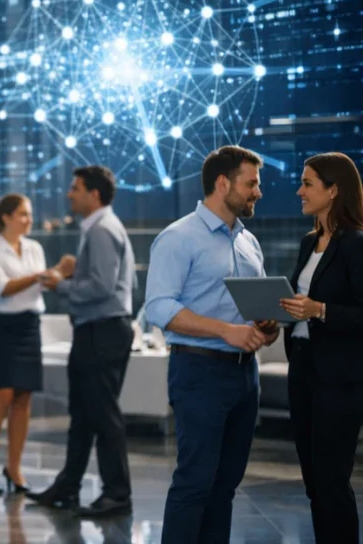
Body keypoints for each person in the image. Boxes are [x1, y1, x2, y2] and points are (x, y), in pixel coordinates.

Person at [144, 146, 280, 544]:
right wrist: (226, 331)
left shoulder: (248, 242)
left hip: (245, 376)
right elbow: (159, 307)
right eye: (251, 183)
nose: (258, 192)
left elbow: (256, 312)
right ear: (223, 183)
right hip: (198, 372)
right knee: (194, 484)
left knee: (225, 487)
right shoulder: (178, 237)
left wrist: (267, 327)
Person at [34, 166, 136, 517]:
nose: (69, 194)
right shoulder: (99, 228)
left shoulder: (103, 230)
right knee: (83, 413)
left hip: (103, 331)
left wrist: (59, 286)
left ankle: (117, 493)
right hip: (96, 330)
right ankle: (68, 486)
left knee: (103, 415)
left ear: (94, 194)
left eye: (75, 188)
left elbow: (102, 287)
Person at [279, 152, 363, 543]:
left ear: (333, 190)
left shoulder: (356, 245)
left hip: (339, 378)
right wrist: (281, 314)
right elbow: (304, 304)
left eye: (308, 183)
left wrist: (321, 310)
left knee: (331, 480)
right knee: (313, 481)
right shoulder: (308, 242)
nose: (299, 189)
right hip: (303, 366)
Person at [0, 193, 71, 495]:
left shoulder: (34, 248)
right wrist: (42, 275)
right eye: (23, 215)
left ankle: (14, 468)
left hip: (28, 325)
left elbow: (38, 286)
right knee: (2, 395)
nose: (29, 220)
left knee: (23, 397)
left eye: (29, 214)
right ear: (5, 217)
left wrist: (56, 274)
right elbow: (2, 289)